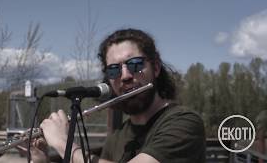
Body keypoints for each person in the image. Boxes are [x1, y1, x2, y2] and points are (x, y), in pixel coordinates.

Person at [32, 28, 206, 163]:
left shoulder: (185, 122)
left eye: (135, 64)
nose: (125, 76)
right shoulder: (116, 138)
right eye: (114, 69)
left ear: (156, 68)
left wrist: (63, 144)